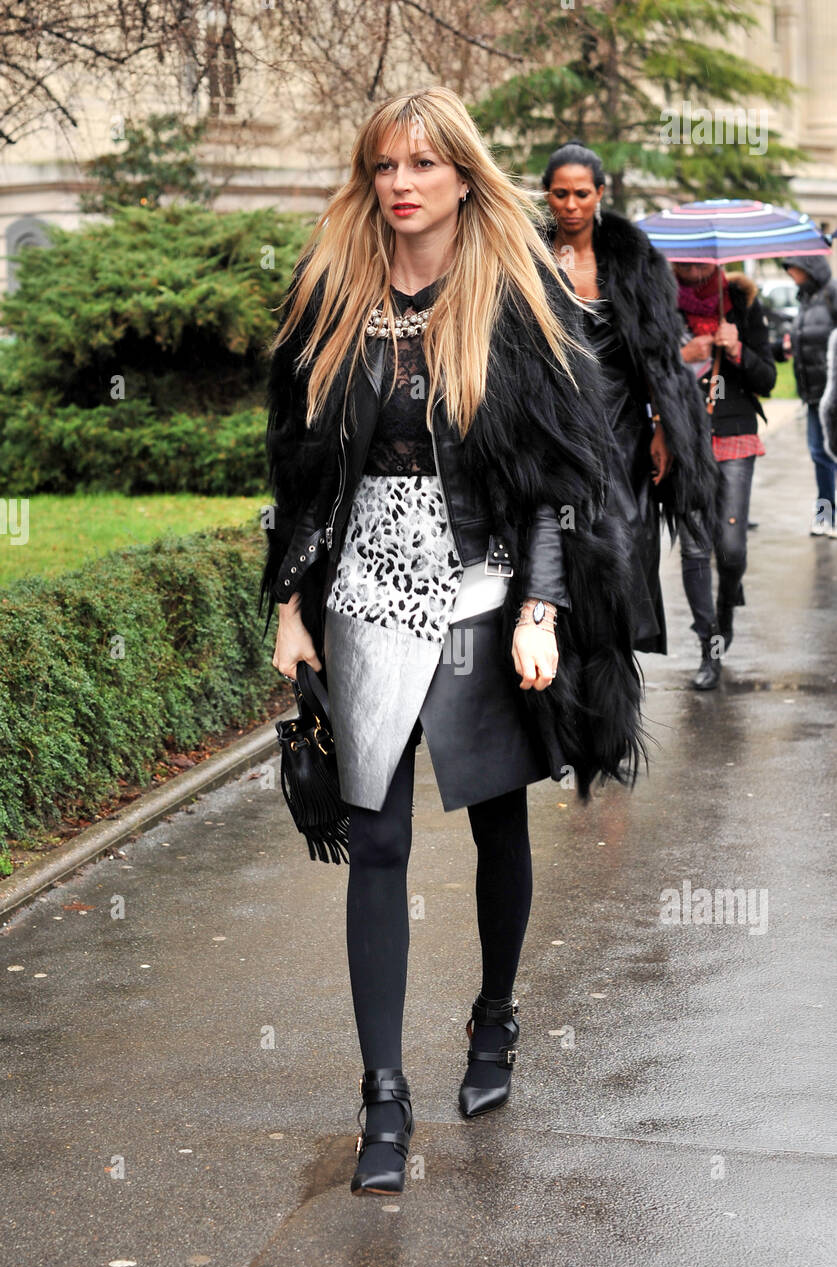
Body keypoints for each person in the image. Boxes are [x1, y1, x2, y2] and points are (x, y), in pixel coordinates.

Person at [258, 88, 644, 1198]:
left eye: (423, 163)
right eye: (385, 165)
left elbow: (556, 475)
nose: (402, 183)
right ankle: (383, 1095)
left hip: (483, 591)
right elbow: (299, 469)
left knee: (495, 816)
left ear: (464, 177)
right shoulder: (330, 294)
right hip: (365, 587)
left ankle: (495, 1014)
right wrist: (291, 600)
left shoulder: (513, 296)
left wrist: (542, 605)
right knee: (373, 838)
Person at [540, 143, 717, 656]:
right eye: (559, 193)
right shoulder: (526, 255)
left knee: (627, 528)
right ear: (547, 194)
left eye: (581, 193)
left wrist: (663, 425)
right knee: (563, 530)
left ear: (599, 193)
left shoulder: (633, 257)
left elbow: (660, 354)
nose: (570, 205)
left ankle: (619, 637)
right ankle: (563, 638)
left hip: (623, 423)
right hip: (557, 417)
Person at [673, 262, 776, 688]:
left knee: (730, 548)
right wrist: (684, 357)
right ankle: (709, 644)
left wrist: (736, 351)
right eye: (687, 258)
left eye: (703, 259)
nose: (694, 267)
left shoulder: (744, 306)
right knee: (696, 548)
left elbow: (768, 378)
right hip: (684, 435)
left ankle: (727, 606)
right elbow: (638, 373)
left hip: (734, 432)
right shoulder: (661, 304)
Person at [779, 255, 837, 538]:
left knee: (827, 454)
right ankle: (826, 515)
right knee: (820, 455)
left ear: (808, 267)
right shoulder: (805, 298)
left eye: (793, 267)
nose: (790, 273)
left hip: (832, 391)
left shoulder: (831, 293)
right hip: (813, 393)